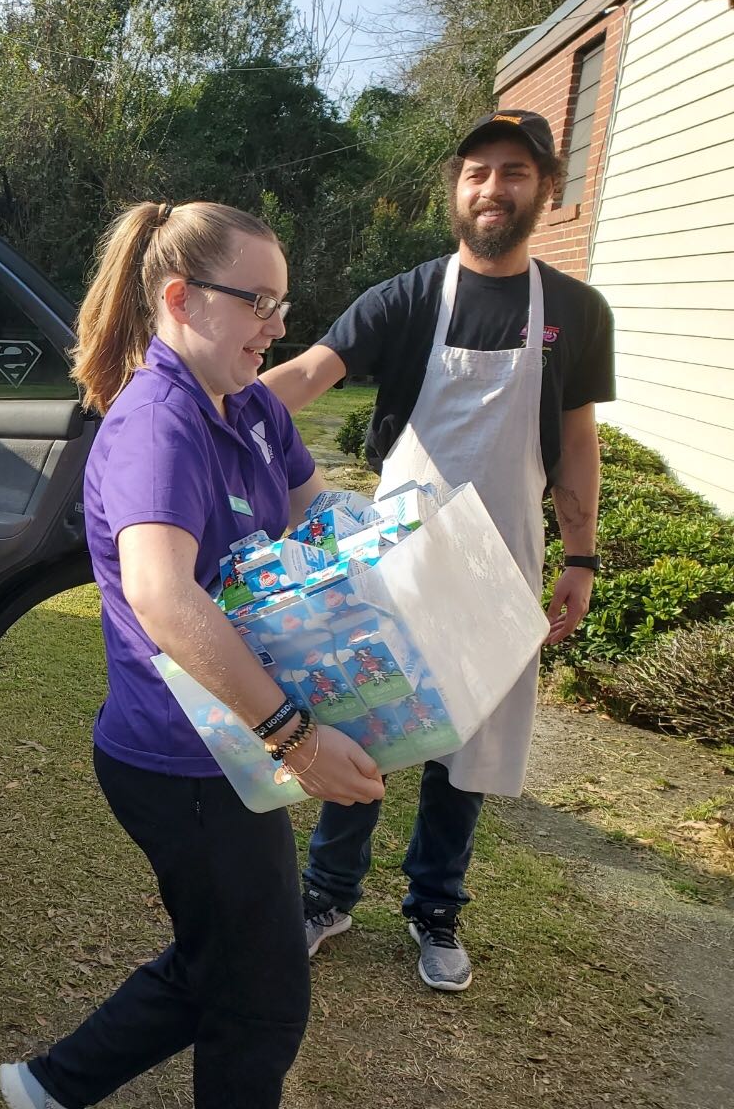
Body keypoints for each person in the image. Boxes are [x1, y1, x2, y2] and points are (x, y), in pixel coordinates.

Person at [0, 201, 386, 1109]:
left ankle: (51, 1087)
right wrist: (297, 737)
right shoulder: (155, 425)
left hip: (232, 745)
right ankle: (50, 1085)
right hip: (182, 761)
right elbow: (162, 595)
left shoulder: (250, 409)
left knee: (228, 965)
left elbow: (315, 524)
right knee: (264, 999)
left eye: (284, 304)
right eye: (260, 302)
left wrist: (398, 562)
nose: (279, 326)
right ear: (181, 297)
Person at [262, 110, 614, 993]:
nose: (492, 188)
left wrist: (581, 559)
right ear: (455, 189)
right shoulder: (410, 296)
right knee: (368, 729)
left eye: (514, 172)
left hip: (508, 569)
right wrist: (207, 404)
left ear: (543, 187)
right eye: (477, 172)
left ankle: (435, 907)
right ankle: (327, 894)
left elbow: (577, 443)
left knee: (471, 748)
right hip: (400, 563)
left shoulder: (575, 311)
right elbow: (308, 373)